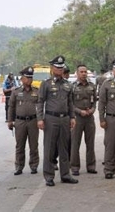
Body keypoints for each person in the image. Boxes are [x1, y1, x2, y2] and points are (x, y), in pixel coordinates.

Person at [37, 55, 78, 186]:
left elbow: (70, 102)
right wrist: (40, 119)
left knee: (64, 148)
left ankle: (65, 175)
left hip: (64, 119)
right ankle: (49, 176)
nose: (59, 70)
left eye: (61, 67)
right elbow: (40, 102)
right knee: (49, 147)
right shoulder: (46, 84)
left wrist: (72, 117)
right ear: (52, 68)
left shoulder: (67, 85)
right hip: (51, 118)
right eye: (57, 67)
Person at [7, 66, 39, 175]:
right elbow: (11, 106)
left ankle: (34, 165)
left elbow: (40, 107)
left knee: (34, 145)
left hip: (33, 121)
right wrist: (10, 121)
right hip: (20, 122)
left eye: (31, 78)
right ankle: (19, 166)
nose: (29, 80)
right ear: (22, 79)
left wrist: (41, 120)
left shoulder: (36, 92)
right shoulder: (16, 92)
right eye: (27, 78)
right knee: (20, 145)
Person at [70, 64, 98, 176]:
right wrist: (79, 111)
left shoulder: (91, 86)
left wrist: (92, 110)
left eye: (85, 72)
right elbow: (70, 104)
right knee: (75, 144)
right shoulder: (72, 86)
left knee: (90, 143)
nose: (84, 74)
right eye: (81, 72)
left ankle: (91, 166)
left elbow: (95, 101)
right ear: (77, 73)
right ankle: (75, 167)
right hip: (77, 118)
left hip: (89, 118)